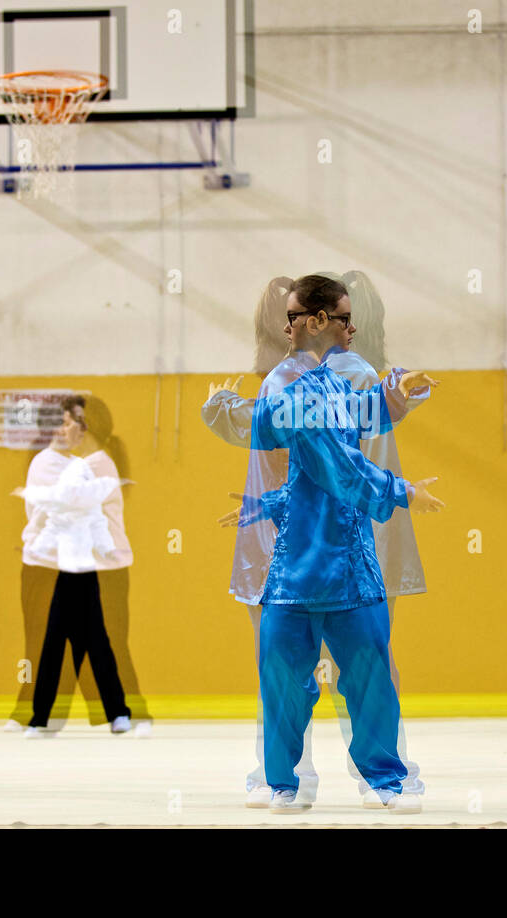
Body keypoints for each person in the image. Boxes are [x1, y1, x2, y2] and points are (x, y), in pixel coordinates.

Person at [202, 274, 428, 806]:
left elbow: (335, 450)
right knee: (303, 664)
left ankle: (358, 773)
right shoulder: (286, 380)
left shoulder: (352, 375)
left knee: (347, 660)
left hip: (341, 536)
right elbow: (298, 444)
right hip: (304, 540)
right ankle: (300, 773)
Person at [12, 395, 136, 736]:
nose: (61, 429)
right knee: (55, 643)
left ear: (85, 429)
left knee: (96, 642)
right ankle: (39, 718)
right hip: (67, 569)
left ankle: (117, 712)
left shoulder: (94, 464)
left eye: (69, 423)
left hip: (87, 570)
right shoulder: (66, 463)